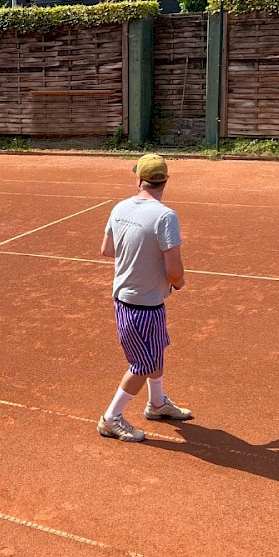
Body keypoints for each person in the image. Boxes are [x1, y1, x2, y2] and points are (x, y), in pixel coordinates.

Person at [97, 153, 191, 443]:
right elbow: (174, 271)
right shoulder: (165, 216)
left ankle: (157, 404)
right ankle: (111, 418)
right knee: (142, 365)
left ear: (139, 180)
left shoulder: (120, 208)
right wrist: (179, 282)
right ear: (165, 181)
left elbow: (107, 249)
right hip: (143, 305)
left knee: (156, 350)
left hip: (133, 300)